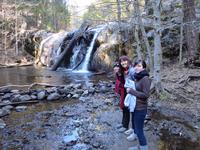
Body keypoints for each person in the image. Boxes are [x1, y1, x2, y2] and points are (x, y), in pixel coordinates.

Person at [126, 60, 151, 150]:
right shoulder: (138, 77)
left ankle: (143, 148)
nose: (137, 67)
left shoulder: (145, 79)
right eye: (136, 65)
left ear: (143, 68)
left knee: (139, 130)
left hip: (141, 108)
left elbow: (146, 95)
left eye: (139, 66)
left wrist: (132, 91)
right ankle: (141, 145)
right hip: (135, 106)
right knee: (136, 127)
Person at [119, 56, 137, 139]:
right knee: (131, 111)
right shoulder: (124, 71)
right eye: (122, 62)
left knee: (134, 113)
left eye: (125, 61)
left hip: (134, 94)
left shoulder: (132, 70)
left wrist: (134, 91)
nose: (123, 63)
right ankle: (133, 128)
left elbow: (137, 82)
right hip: (129, 94)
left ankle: (135, 132)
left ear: (128, 61)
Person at [113, 62, 129, 133]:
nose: (115, 68)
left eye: (117, 67)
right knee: (123, 108)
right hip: (121, 92)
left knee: (125, 108)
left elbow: (126, 84)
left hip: (126, 92)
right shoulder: (117, 74)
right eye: (115, 67)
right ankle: (123, 124)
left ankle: (125, 126)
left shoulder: (124, 74)